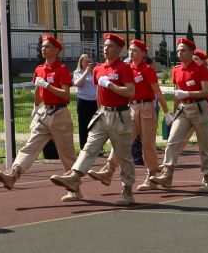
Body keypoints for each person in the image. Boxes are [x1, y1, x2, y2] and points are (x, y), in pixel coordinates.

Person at [51, 33, 137, 206]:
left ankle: (127, 191)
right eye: (104, 46)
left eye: (110, 46)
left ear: (119, 49)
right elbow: (99, 93)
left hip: (120, 115)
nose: (106, 49)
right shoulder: (98, 69)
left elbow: (130, 92)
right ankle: (74, 177)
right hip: (103, 114)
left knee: (123, 155)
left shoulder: (124, 68)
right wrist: (100, 110)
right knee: (89, 147)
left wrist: (111, 85)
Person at [0, 33, 76, 189]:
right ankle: (13, 174)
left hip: (60, 113)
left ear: (57, 50)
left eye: (47, 47)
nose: (43, 49)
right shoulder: (39, 69)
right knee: (31, 145)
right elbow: (38, 91)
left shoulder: (62, 69)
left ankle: (73, 186)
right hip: (44, 112)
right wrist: (36, 107)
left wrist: (48, 86)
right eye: (42, 46)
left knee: (66, 154)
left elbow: (66, 95)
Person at [154, 37, 208, 191]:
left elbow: (205, 91)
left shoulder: (200, 69)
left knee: (204, 145)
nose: (179, 53)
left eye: (183, 50)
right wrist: (173, 112)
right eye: (178, 50)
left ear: (192, 52)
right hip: (184, 109)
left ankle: (207, 180)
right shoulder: (176, 70)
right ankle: (167, 175)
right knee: (172, 141)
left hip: (200, 108)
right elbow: (178, 93)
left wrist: (187, 93)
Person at [96, 39, 163, 186]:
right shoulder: (126, 68)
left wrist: (167, 112)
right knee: (122, 141)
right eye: (130, 50)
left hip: (146, 108)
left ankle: (151, 177)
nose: (131, 52)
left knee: (147, 144)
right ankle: (108, 169)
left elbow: (157, 92)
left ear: (143, 53)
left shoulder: (147, 70)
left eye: (135, 50)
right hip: (130, 108)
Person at [72, 51, 98, 144]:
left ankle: (96, 147)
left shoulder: (95, 72)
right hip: (83, 101)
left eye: (89, 62)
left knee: (95, 125)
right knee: (83, 125)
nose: (88, 64)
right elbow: (79, 84)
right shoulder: (77, 73)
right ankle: (84, 146)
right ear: (81, 63)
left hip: (95, 101)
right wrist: (86, 71)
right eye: (86, 62)